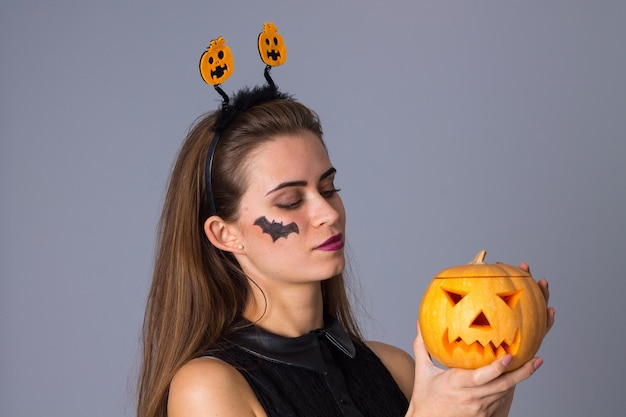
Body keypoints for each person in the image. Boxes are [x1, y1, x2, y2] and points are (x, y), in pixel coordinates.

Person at [136, 84, 555, 417]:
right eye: (289, 202)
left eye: (328, 188)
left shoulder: (395, 368)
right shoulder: (207, 387)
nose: (327, 213)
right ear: (226, 235)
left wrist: (492, 385)